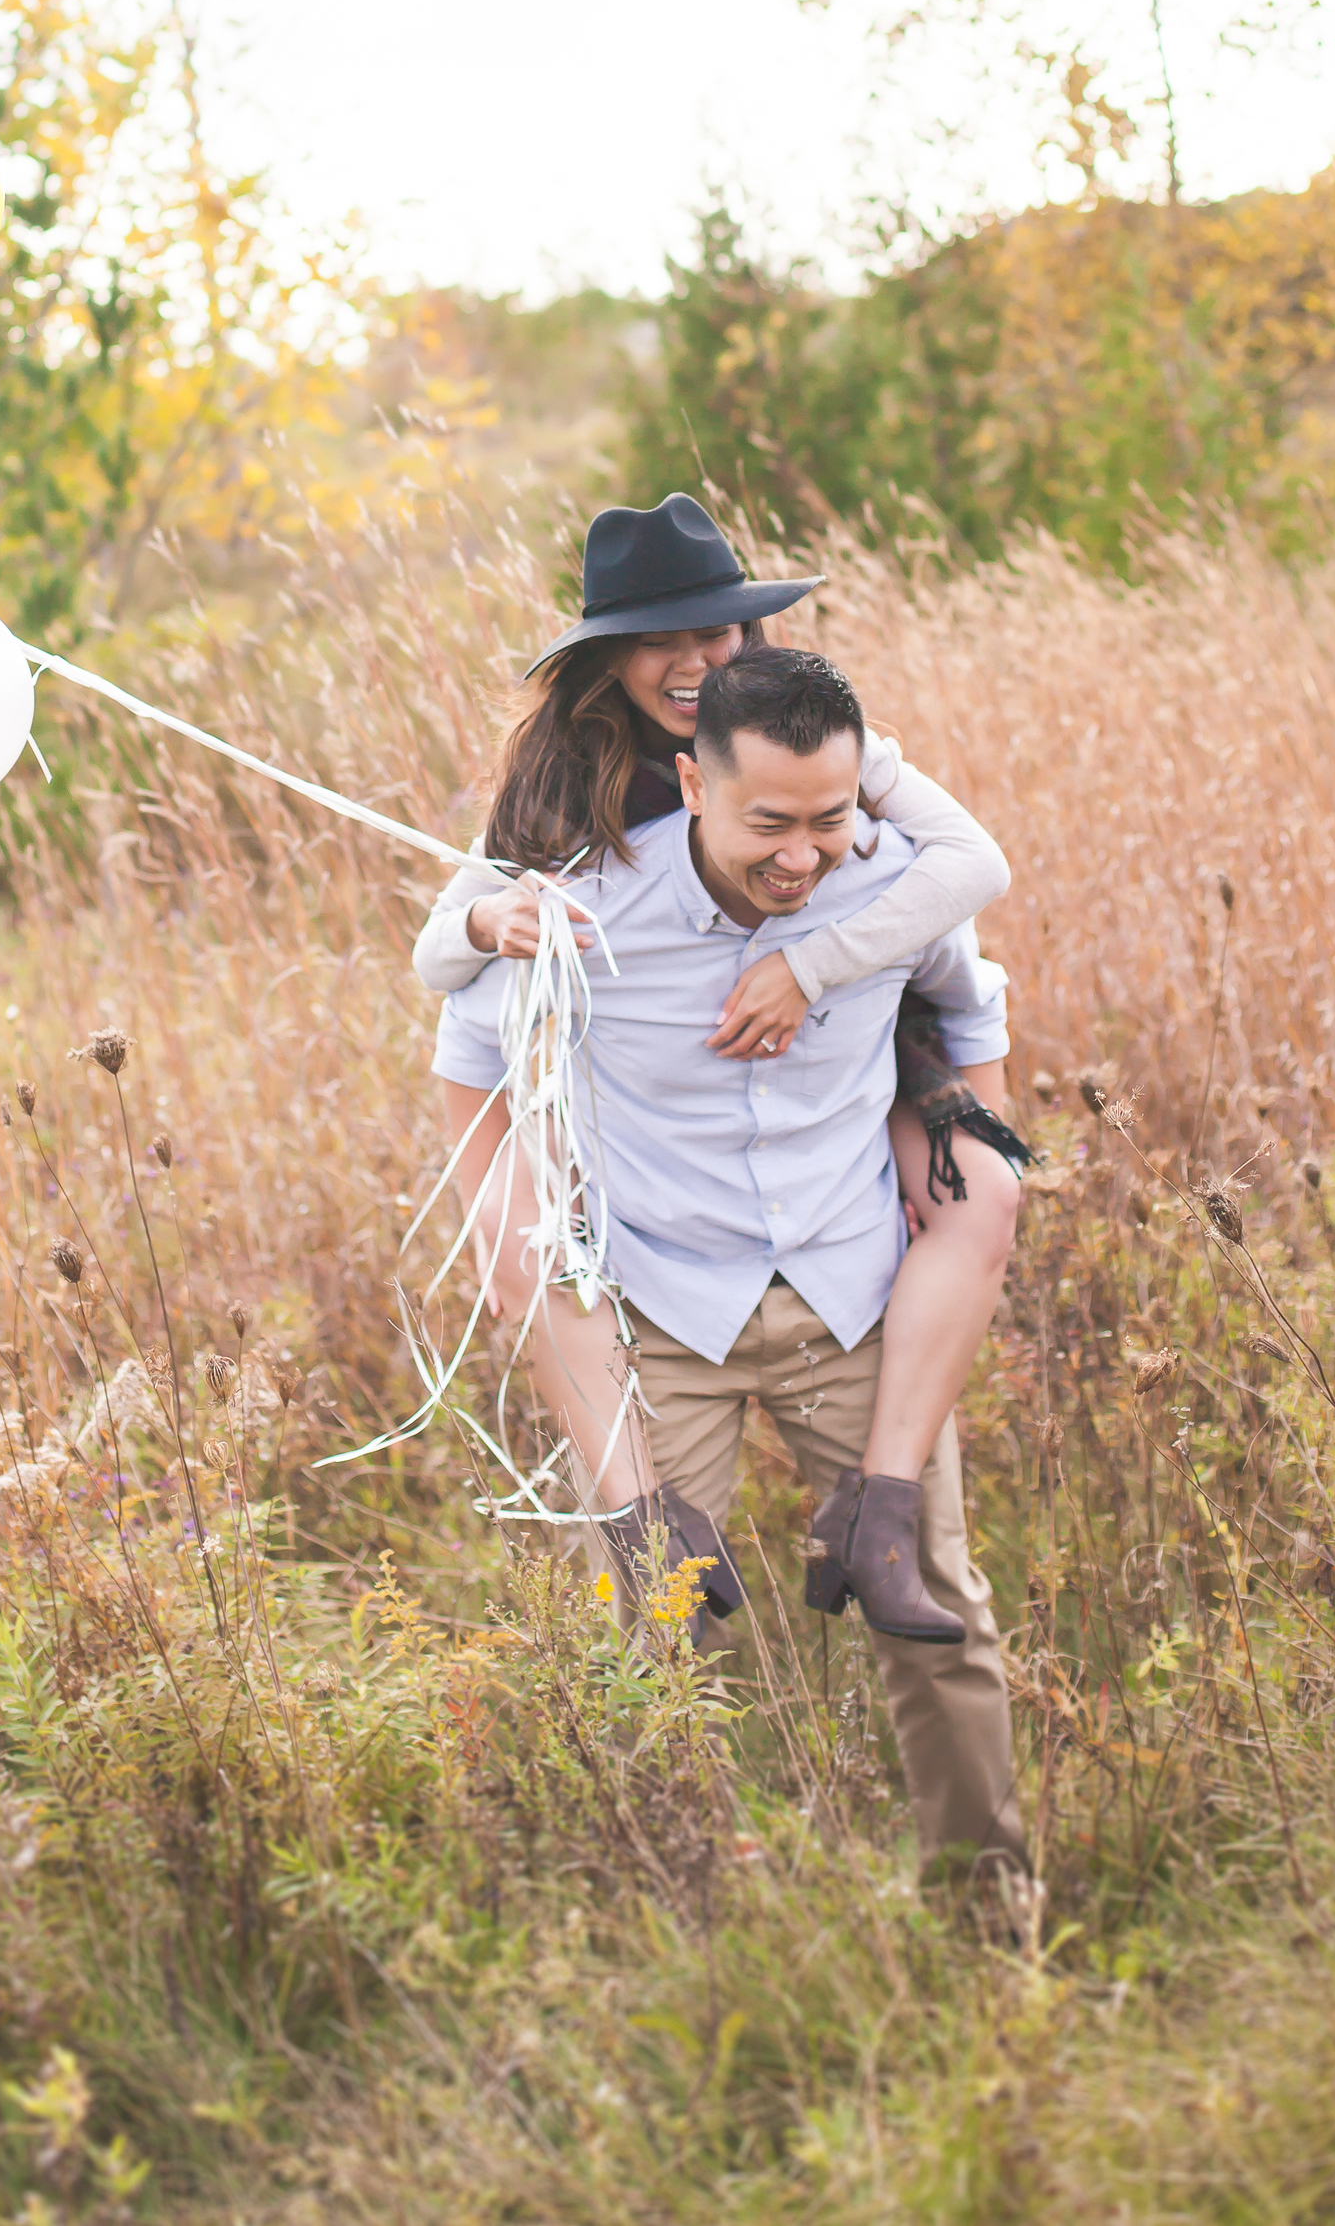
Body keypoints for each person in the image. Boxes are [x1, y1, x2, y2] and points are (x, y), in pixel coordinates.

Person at [428, 639, 1027, 1870]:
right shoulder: (583, 907)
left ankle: (990, 1921)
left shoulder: (892, 885)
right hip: (658, 1313)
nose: (802, 856)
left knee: (941, 1619)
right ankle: (678, 1931)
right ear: (693, 785)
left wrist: (967, 1165)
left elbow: (967, 1003)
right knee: (649, 1631)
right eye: (769, 823)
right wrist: (513, 1239)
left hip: (852, 1288)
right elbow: (471, 1063)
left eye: (827, 819)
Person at [412, 495, 1028, 1603]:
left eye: (716, 632)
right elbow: (443, 980)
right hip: (675, 1207)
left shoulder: (803, 734)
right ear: (610, 660)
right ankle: (649, 1529)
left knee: (982, 1193)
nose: (695, 659)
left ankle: (881, 1510)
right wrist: (479, 922)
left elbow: (971, 869)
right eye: (661, 638)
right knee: (538, 1245)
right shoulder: (556, 798)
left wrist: (813, 965)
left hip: (864, 1035)